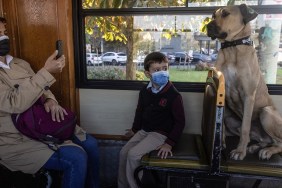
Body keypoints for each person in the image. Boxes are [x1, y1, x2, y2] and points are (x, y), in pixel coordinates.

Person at [0, 17, 99, 188]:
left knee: (90, 144)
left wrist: (50, 100)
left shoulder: (20, 64)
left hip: (41, 122)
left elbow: (43, 88)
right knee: (76, 157)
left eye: (5, 33)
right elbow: (14, 103)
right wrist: (46, 71)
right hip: (16, 139)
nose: (4, 38)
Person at [118, 52, 186, 188]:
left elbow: (180, 122)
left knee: (133, 155)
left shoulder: (174, 95)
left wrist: (169, 143)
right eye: (156, 70)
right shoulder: (145, 91)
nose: (162, 72)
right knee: (123, 152)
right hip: (144, 131)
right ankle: (122, 185)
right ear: (148, 74)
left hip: (161, 134)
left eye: (165, 69)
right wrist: (134, 130)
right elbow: (140, 111)